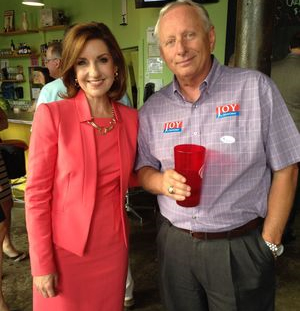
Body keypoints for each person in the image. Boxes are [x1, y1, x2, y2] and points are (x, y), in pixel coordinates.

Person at [136, 1, 300, 311]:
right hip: (175, 247)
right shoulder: (152, 110)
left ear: (210, 37)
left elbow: (287, 167)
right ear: (162, 51)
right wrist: (160, 181)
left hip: (238, 247)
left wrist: (270, 241)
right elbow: (143, 168)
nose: (181, 48)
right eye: (170, 41)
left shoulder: (255, 89)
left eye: (189, 35)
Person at [25, 22, 138, 311]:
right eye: (82, 63)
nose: (94, 72)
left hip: (113, 251)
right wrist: (41, 263)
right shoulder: (53, 115)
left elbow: (132, 175)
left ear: (115, 64)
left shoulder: (130, 118)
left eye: (102, 60)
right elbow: (36, 195)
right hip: (64, 254)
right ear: (73, 70)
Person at [271, 31, 300, 244]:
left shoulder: (272, 68)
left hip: (272, 138)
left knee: (271, 183)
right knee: (292, 187)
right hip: (297, 140)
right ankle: (285, 229)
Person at [36, 41, 65, 110]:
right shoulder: (80, 84)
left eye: (47, 61)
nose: (46, 65)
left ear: (57, 63)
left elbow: (40, 119)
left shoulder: (48, 90)